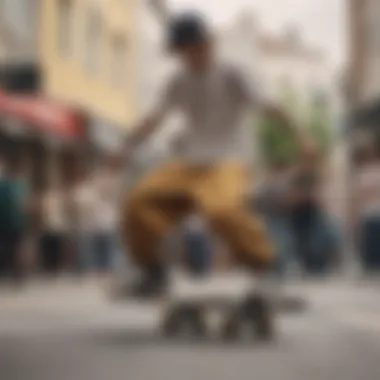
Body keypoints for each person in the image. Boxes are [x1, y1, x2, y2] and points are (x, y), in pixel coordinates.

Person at [121, 12, 307, 298]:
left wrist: (301, 137)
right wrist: (124, 148)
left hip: (228, 160)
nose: (192, 57)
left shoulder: (234, 72)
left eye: (197, 49)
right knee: (138, 200)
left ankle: (264, 267)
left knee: (221, 210)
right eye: (185, 52)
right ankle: (152, 271)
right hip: (190, 162)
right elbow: (154, 118)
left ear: (208, 43)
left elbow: (269, 107)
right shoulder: (178, 80)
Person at [0, 158, 30, 283]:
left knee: (14, 248)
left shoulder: (11, 185)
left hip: (12, 223)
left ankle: (16, 273)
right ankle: (16, 273)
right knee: (14, 248)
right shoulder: (15, 185)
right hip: (13, 223)